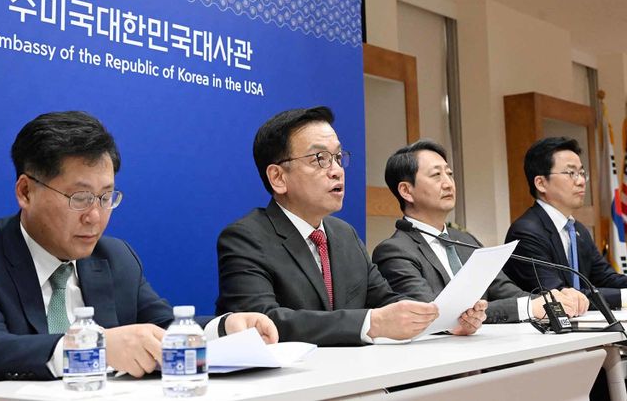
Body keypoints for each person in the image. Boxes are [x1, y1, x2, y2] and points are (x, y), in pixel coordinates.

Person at [0, 111, 278, 382]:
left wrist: (225, 328)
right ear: (26, 192)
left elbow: (162, 328)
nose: (95, 216)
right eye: (80, 198)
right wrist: (92, 347)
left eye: (106, 197)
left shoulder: (116, 257)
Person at [215, 106, 488, 346]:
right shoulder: (246, 238)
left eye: (337, 157)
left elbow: (386, 300)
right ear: (278, 178)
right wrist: (370, 323)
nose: (336, 170)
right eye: (319, 159)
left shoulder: (344, 234)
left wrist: (443, 320)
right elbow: (262, 322)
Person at [372, 140, 588, 324]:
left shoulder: (465, 240)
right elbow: (435, 315)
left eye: (449, 174)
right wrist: (528, 308)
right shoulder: (394, 252)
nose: (448, 184)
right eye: (436, 175)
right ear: (406, 191)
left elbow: (505, 290)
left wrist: (551, 300)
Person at [503, 136, 627, 309]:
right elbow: (560, 295)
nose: (581, 181)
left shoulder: (577, 230)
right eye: (571, 173)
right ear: (541, 183)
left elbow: (606, 278)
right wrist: (623, 297)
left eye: (582, 173)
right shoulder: (525, 233)